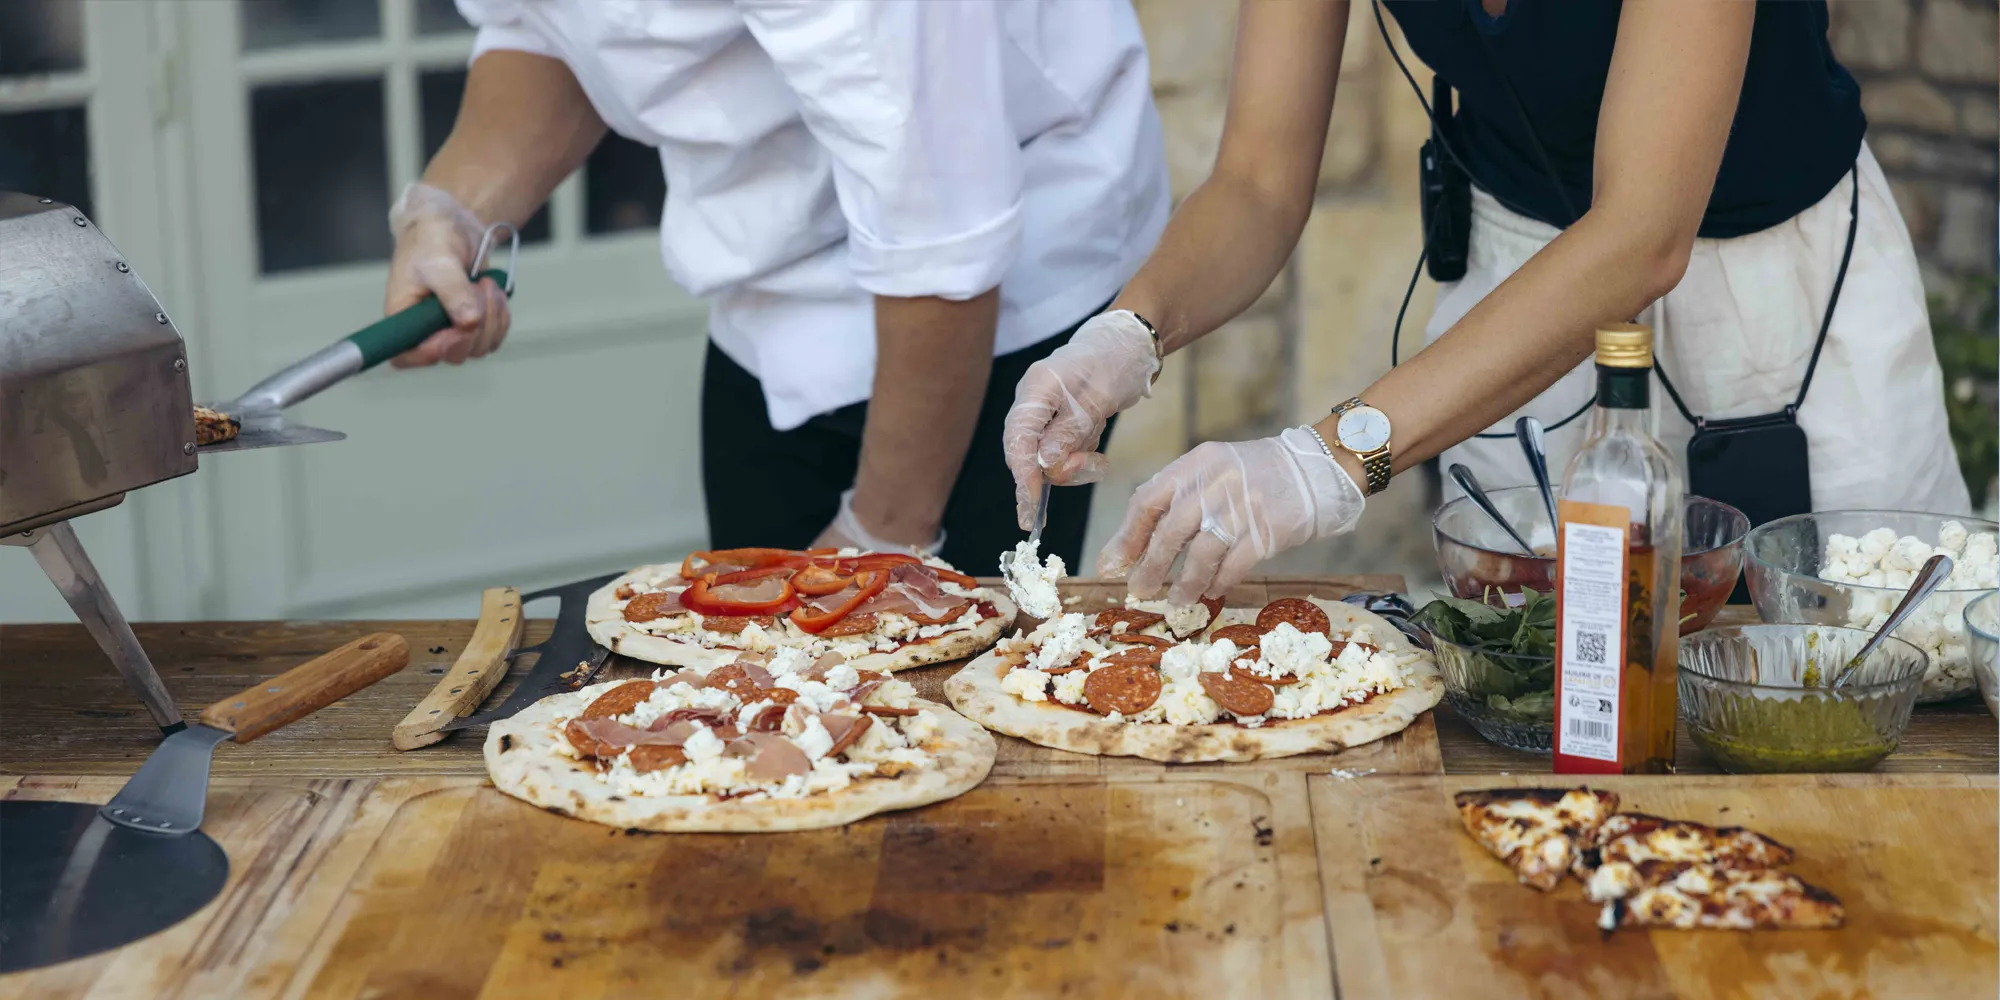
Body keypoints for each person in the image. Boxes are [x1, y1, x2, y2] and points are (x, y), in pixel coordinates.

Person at [1004, 0, 1970, 606]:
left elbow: (1642, 236)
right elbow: (1257, 179)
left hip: (1781, 287)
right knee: (1533, 689)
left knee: (1862, 663)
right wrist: (1128, 330)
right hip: (1520, 290)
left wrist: (1326, 463)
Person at [385, 0, 1167, 572]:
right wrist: (453, 211)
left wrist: (881, 545)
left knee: (944, 694)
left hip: (1009, 248)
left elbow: (941, 238)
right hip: (775, 264)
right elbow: (552, 26)